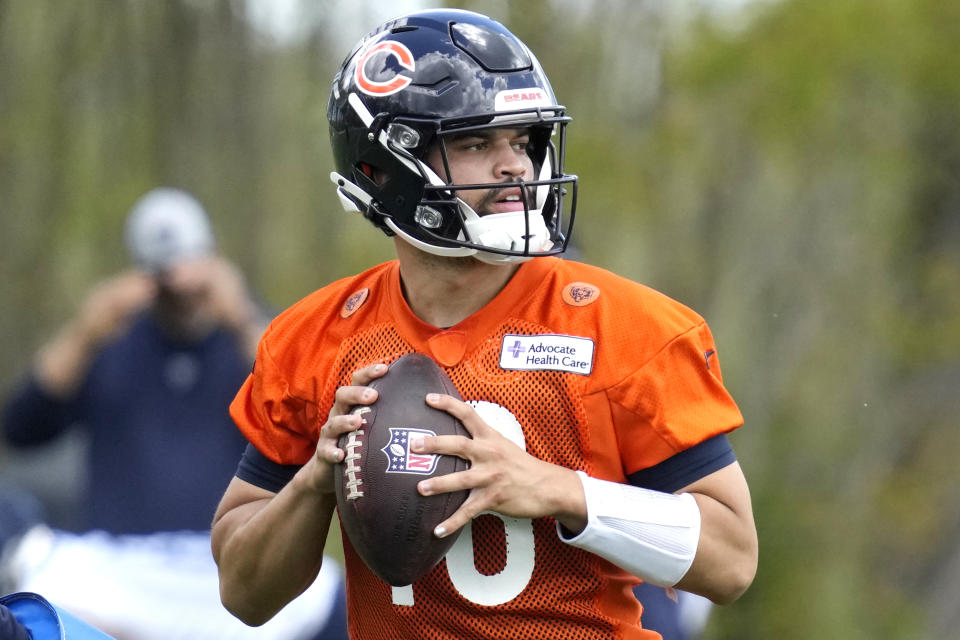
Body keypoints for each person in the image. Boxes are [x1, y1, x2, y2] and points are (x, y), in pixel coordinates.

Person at [212, 8, 757, 640]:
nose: (516, 167)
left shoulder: (627, 330)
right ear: (379, 168)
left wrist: (561, 491)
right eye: (476, 143)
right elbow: (242, 594)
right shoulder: (314, 338)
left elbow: (732, 560)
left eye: (524, 141)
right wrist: (316, 482)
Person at [1, 188, 347, 639]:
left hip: (222, 566)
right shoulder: (109, 343)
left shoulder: (253, 347)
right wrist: (85, 331)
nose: (182, 292)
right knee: (32, 581)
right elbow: (21, 429)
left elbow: (313, 412)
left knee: (329, 591)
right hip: (119, 572)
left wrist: (239, 313)